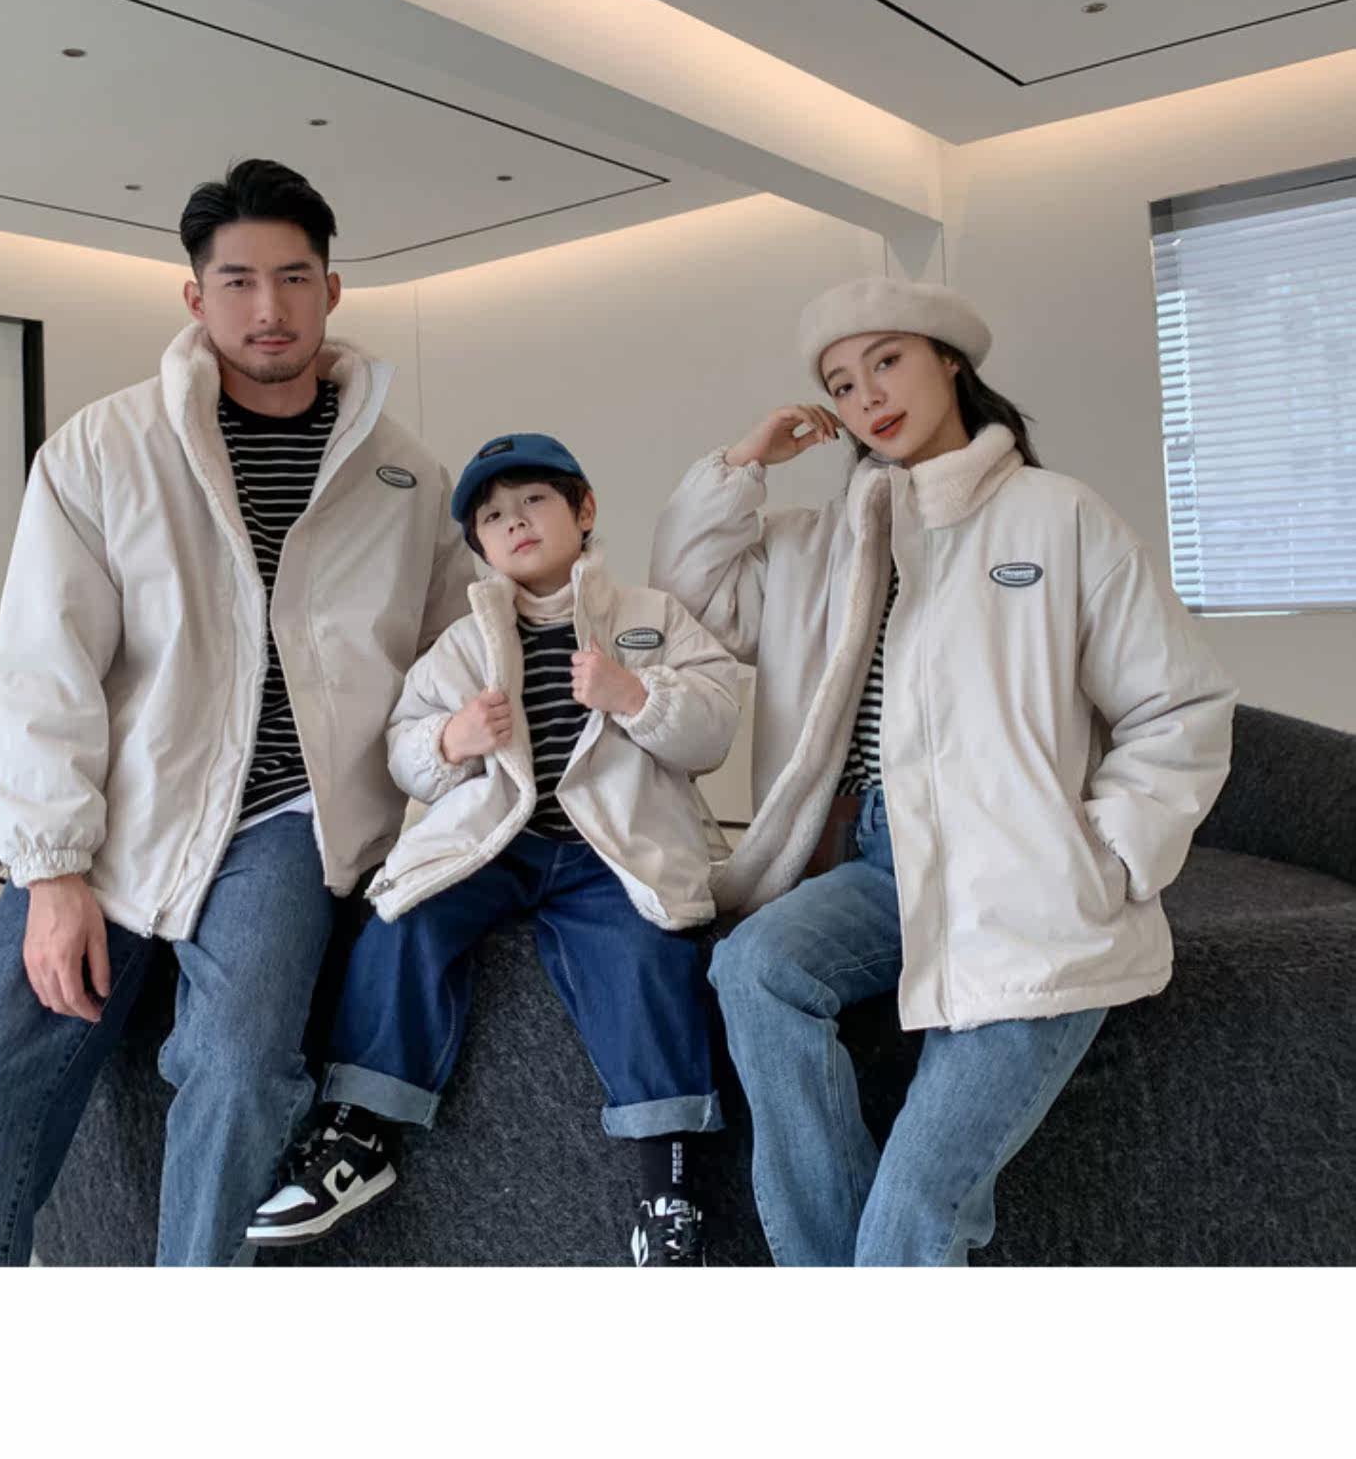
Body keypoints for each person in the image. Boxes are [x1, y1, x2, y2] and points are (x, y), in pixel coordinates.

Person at [0, 159, 473, 1266]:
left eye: (293, 278)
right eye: (239, 281)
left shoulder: (404, 478)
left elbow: (453, 660)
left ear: (332, 290)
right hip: (122, 808)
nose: (269, 308)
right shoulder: (103, 450)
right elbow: (42, 669)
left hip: (292, 821)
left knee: (241, 1068)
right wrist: (51, 870)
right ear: (196, 296)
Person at [650, 276, 1237, 1266]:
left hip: (1026, 882)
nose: (868, 395)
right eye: (843, 383)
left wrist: (1106, 855)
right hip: (878, 861)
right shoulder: (828, 543)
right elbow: (689, 601)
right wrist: (744, 465)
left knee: (917, 1205)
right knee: (753, 969)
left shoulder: (1059, 517)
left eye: (887, 361)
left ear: (950, 360)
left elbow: (1179, 704)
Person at [248, 434, 739, 1265]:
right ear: (478, 545)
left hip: (607, 848)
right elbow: (403, 751)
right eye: (493, 516)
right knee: (404, 917)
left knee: (646, 953)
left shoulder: (650, 619)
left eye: (535, 500)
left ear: (585, 509)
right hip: (498, 841)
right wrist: (452, 738)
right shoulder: (464, 644)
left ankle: (669, 1184)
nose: (515, 522)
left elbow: (715, 724)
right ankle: (359, 1133)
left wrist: (635, 695)